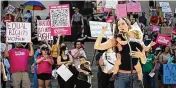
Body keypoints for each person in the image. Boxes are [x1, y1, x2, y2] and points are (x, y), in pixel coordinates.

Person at [94, 18, 146, 88]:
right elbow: (97, 46)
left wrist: (142, 56)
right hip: (121, 76)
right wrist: (102, 32)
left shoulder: (137, 39)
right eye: (118, 25)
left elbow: (144, 61)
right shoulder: (115, 40)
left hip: (136, 75)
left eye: (123, 24)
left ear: (128, 25)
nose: (121, 26)